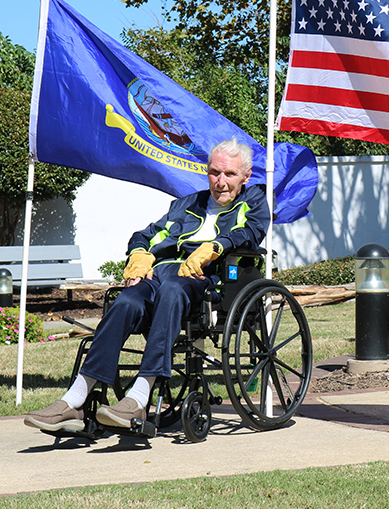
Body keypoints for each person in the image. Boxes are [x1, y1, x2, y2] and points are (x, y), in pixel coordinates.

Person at [24, 138, 269, 433]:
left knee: (172, 290)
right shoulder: (186, 204)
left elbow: (251, 233)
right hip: (160, 274)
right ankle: (74, 399)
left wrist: (216, 247)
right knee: (126, 301)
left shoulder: (253, 201)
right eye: (215, 172)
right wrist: (139, 255)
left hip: (201, 282)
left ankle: (139, 396)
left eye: (229, 174)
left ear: (245, 175)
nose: (220, 182)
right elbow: (145, 234)